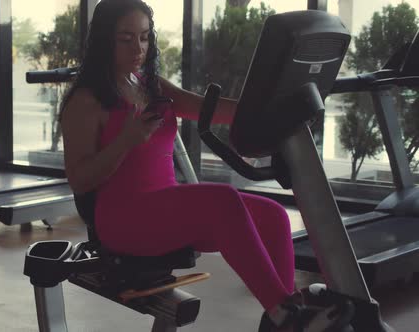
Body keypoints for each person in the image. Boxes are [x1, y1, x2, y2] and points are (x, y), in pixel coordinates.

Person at [60, 0, 347, 330]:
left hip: (163, 208)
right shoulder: (86, 100)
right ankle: (285, 313)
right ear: (103, 41)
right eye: (125, 39)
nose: (137, 48)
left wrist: (274, 106)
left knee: (273, 217)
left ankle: (281, 313)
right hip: (123, 220)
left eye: (143, 37)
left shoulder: (148, 84)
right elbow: (80, 180)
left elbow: (208, 109)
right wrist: (126, 140)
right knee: (222, 200)